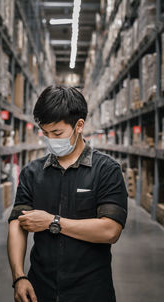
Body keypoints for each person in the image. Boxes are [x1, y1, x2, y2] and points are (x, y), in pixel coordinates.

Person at [7, 86, 128, 302]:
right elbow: (17, 223)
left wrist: (53, 222)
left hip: (91, 291)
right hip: (40, 289)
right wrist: (19, 276)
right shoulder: (32, 173)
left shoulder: (107, 170)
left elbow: (110, 230)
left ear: (79, 125)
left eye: (57, 133)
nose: (50, 139)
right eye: (45, 133)